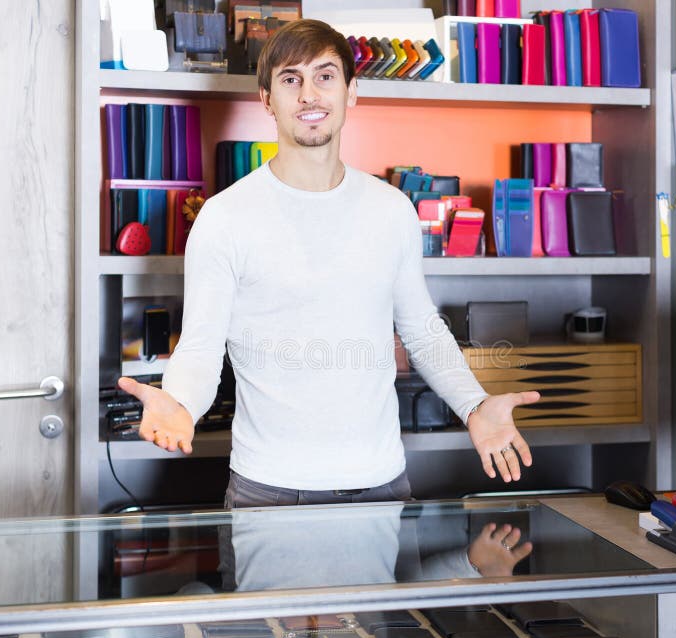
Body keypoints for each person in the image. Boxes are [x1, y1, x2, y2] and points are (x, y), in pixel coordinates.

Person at [118, 20, 540, 518]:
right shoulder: (225, 217)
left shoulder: (391, 209)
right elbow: (201, 345)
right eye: (290, 79)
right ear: (267, 99)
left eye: (325, 76)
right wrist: (181, 403)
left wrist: (473, 403)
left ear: (351, 92)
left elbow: (422, 330)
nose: (309, 94)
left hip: (383, 485)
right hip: (269, 491)